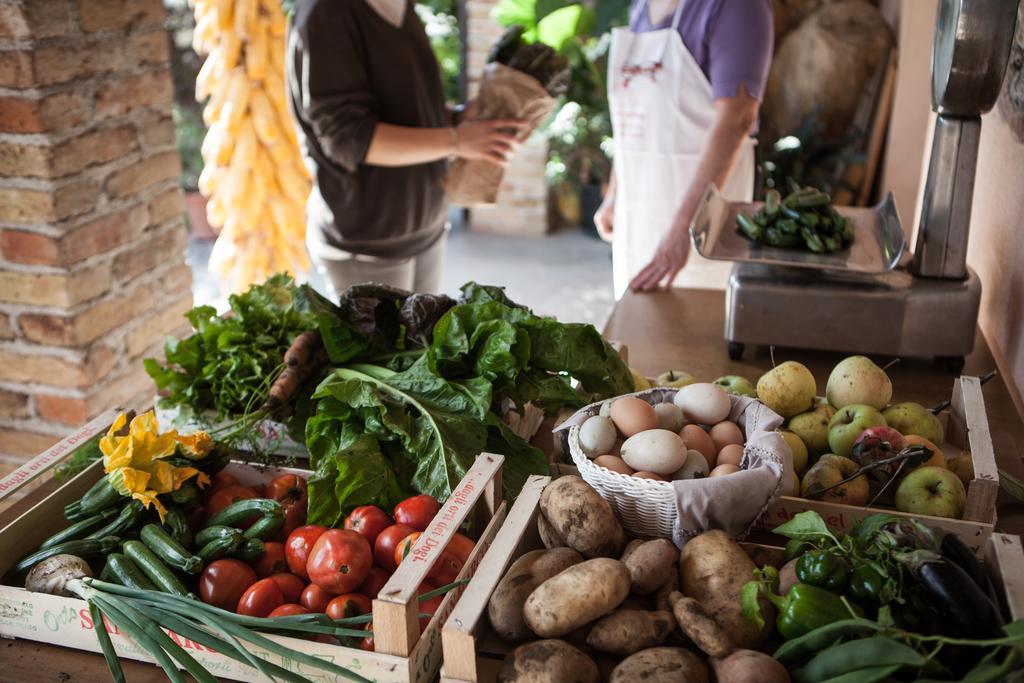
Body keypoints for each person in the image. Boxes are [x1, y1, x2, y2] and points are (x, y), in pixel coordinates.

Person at [287, 0, 525, 299]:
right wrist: (456, 140)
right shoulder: (327, 12)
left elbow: (400, 106)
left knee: (423, 344)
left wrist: (455, 119)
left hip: (426, 228)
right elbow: (349, 138)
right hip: (368, 243)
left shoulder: (400, 6)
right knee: (389, 347)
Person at [594, 0, 773, 296]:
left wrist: (685, 229)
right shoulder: (642, 6)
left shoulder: (737, 7)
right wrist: (615, 192)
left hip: (698, 225)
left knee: (690, 334)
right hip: (639, 217)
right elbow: (639, 113)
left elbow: (737, 118)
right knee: (635, 332)